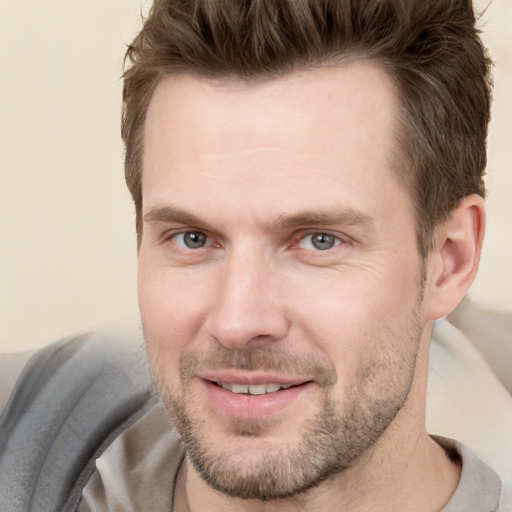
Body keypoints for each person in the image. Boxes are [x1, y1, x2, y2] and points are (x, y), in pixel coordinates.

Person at [0, 0, 510, 511]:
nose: (237, 321)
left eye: (318, 241)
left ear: (449, 260)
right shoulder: (23, 444)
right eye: (193, 238)